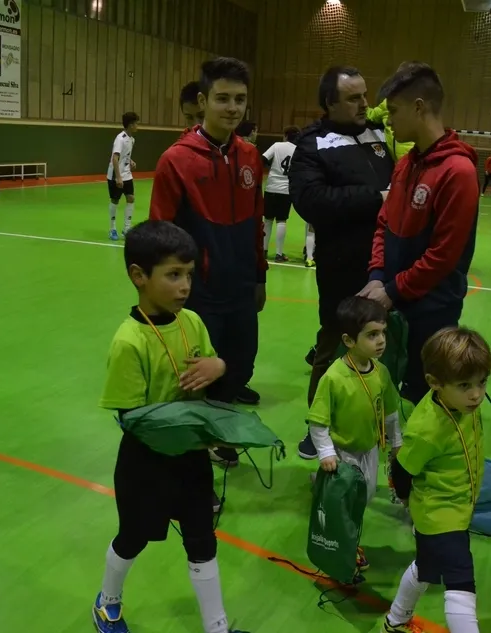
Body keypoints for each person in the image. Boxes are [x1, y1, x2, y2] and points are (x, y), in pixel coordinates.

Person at [92, 220, 248, 633]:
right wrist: (189, 421)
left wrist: (220, 367)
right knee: (134, 538)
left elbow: (215, 381)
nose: (185, 286)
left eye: (189, 275)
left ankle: (217, 627)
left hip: (191, 460)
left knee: (202, 540)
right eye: (173, 275)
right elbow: (131, 419)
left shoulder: (192, 322)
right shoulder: (129, 342)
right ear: (138, 276)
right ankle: (107, 600)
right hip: (146, 465)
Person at [150, 58, 267, 480]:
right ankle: (201, 443)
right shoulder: (176, 160)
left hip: (241, 287)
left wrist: (260, 276)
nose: (232, 108)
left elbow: (257, 222)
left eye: (240, 99)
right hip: (199, 291)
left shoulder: (250, 156)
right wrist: (168, 292)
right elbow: (161, 233)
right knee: (198, 372)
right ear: (203, 101)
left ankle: (216, 423)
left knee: (241, 364)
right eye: (222, 98)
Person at [289, 65, 395, 460]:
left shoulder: (380, 135)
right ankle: (317, 431)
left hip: (385, 265)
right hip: (342, 267)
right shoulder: (312, 144)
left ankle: (372, 422)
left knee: (382, 346)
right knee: (334, 345)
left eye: (365, 95)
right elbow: (311, 202)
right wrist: (376, 198)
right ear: (329, 103)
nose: (364, 103)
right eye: (353, 98)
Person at [361, 62, 480, 404]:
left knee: (425, 398)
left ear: (418, 107)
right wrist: (377, 276)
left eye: (394, 111)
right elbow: (384, 224)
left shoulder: (458, 171)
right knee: (386, 392)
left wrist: (392, 290)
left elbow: (443, 255)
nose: (388, 121)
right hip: (395, 303)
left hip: (432, 311)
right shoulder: (405, 164)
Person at [385, 327, 491, 633]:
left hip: (456, 506)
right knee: (461, 584)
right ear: (435, 383)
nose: (476, 394)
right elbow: (401, 469)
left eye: (482, 382)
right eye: (465, 385)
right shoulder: (427, 429)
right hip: (440, 514)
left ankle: (395, 621)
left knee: (425, 568)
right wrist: (406, 498)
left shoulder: (462, 403)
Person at [308, 296, 402, 571]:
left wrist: (396, 442)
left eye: (383, 333)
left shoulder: (381, 373)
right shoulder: (333, 378)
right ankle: (346, 545)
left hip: (369, 449)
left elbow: (390, 412)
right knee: (346, 502)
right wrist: (326, 453)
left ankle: (344, 528)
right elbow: (318, 422)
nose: (381, 341)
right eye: (372, 335)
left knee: (367, 495)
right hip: (342, 453)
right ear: (349, 340)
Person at [262, 125, 299, 262]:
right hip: (285, 189)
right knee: (281, 221)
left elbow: (263, 159)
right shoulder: (298, 150)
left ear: (285, 135)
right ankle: (278, 254)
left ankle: (263, 251)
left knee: (267, 220)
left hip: (271, 187)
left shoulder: (277, 145)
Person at [106, 111, 139, 240]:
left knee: (130, 198)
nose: (137, 126)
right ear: (130, 125)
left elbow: (124, 155)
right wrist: (118, 177)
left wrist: (130, 161)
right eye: (136, 124)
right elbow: (115, 158)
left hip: (127, 174)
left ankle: (126, 229)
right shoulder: (120, 139)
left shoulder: (132, 139)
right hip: (115, 174)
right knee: (115, 200)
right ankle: (112, 229)